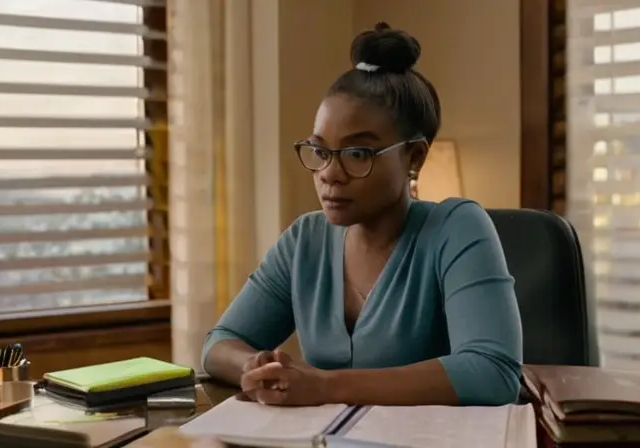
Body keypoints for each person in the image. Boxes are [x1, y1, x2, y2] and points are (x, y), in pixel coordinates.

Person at [201, 22, 523, 407]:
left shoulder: (457, 228)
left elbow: (492, 372)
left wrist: (324, 386)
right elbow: (218, 344)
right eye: (320, 152)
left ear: (414, 156)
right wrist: (255, 365)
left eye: (357, 154)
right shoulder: (305, 240)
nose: (329, 175)